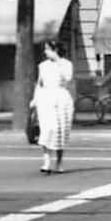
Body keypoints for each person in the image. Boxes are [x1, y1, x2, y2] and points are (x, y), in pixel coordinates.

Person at [33, 39, 76, 174]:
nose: (45, 52)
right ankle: (46, 161)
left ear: (55, 50)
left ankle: (59, 162)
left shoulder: (66, 64)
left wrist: (58, 63)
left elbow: (68, 78)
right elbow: (39, 83)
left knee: (60, 130)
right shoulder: (43, 65)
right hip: (46, 98)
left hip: (61, 98)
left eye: (47, 49)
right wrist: (35, 99)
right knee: (48, 129)